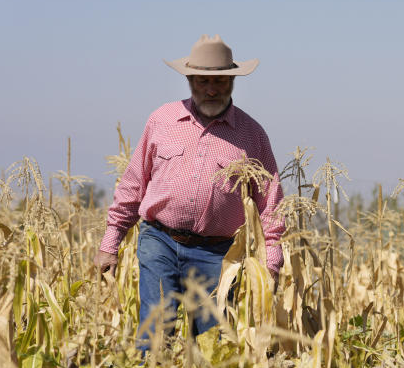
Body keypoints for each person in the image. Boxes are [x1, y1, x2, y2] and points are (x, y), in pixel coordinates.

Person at [93, 34, 284, 348]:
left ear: (233, 82)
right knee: (155, 328)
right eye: (202, 81)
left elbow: (270, 204)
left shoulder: (252, 135)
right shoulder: (162, 120)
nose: (211, 89)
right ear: (189, 79)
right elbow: (132, 185)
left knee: (212, 342)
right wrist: (110, 243)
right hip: (160, 241)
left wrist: (270, 263)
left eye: (219, 82)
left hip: (218, 253)